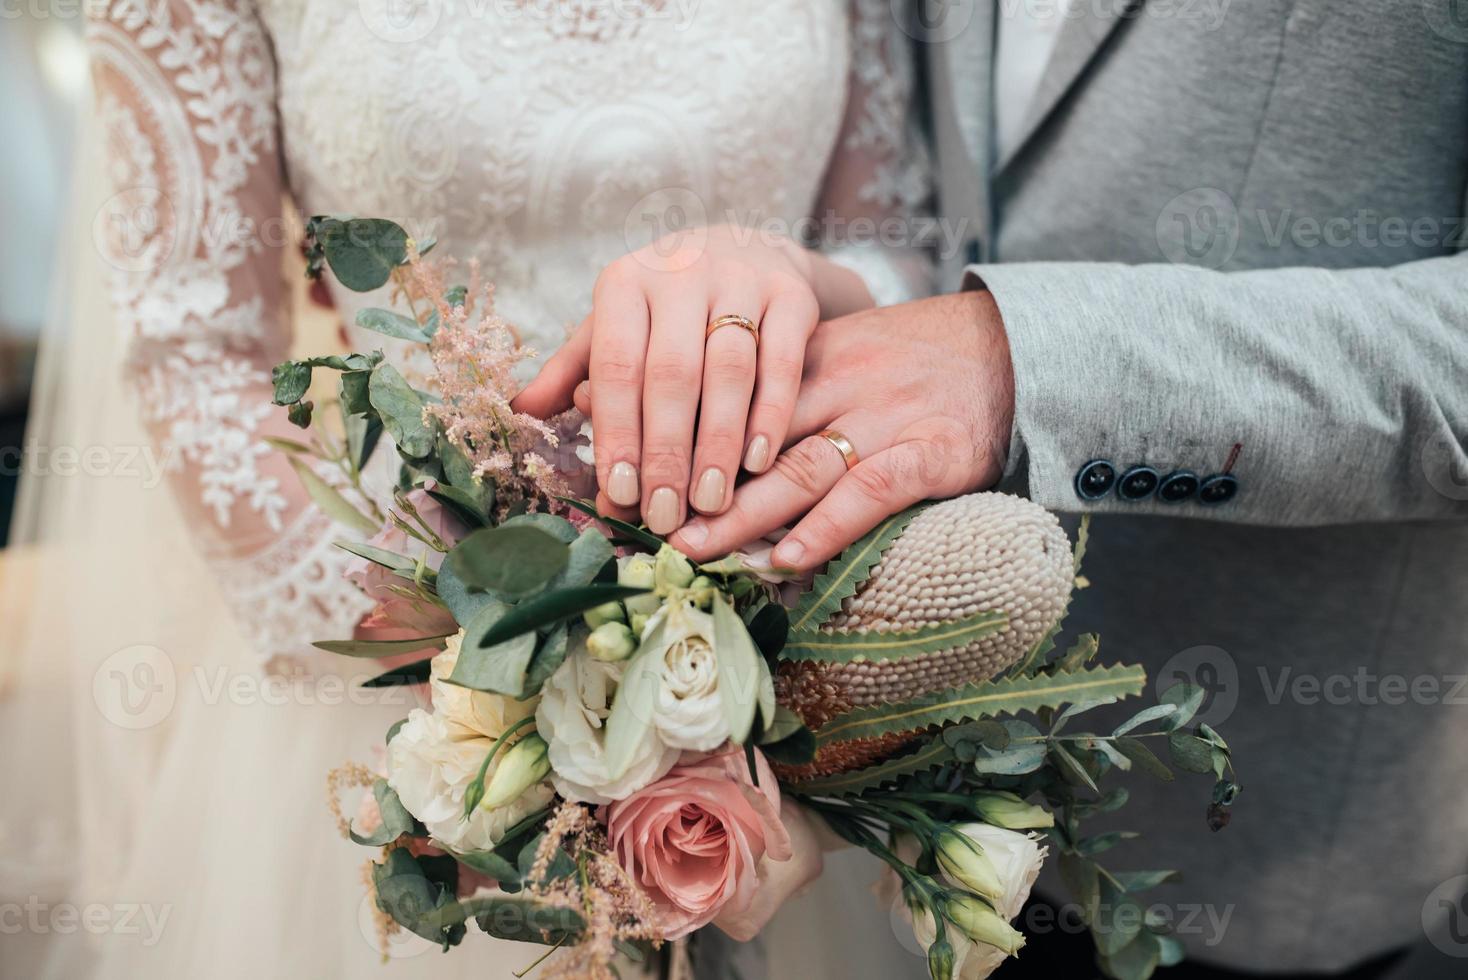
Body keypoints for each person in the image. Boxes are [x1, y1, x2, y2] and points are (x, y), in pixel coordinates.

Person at [521, 1, 1468, 976]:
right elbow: (929, 203)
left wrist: (1021, 359)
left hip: (1243, 814)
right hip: (887, 770)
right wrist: (829, 290)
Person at [1, 1, 938, 977]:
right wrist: (510, 678)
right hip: (417, 666)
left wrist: (739, 603)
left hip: (787, 639)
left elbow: (891, 246)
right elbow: (194, 345)